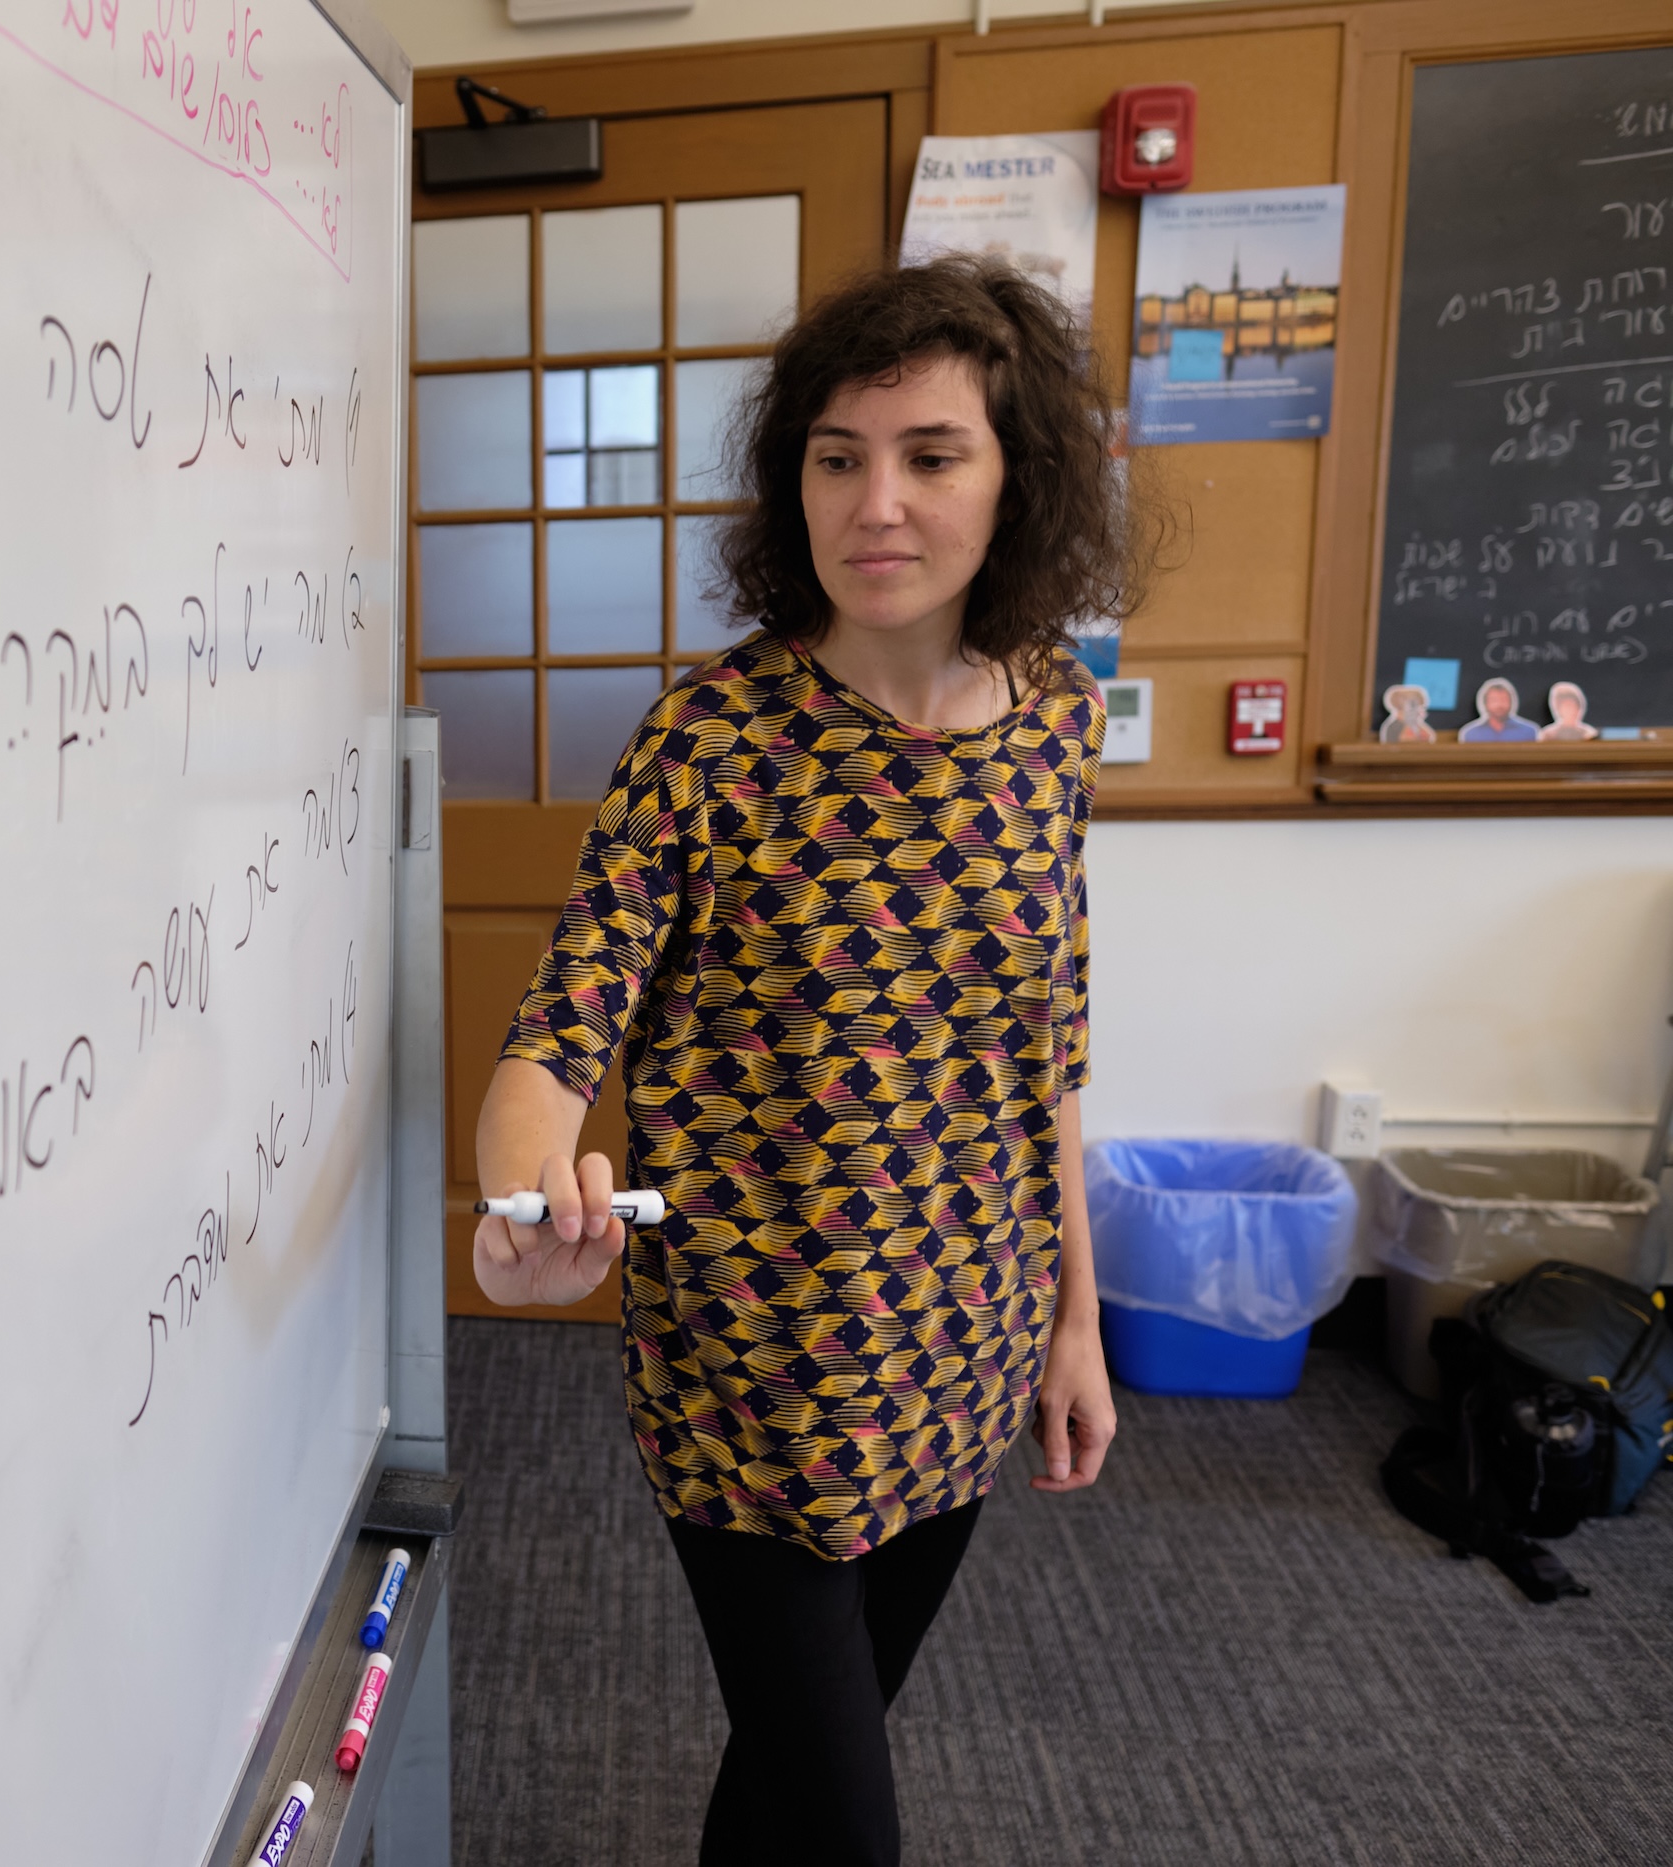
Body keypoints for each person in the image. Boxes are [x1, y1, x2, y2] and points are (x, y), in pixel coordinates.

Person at [471, 256, 1145, 1867]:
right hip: (755, 1374)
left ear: (1017, 476)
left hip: (963, 1340)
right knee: (848, 1826)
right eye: (837, 456)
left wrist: (1075, 1321)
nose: (877, 503)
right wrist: (524, 1204)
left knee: (790, 1785)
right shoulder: (713, 738)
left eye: (931, 454)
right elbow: (561, 1031)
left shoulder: (1055, 719)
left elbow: (1043, 1054)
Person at [1458, 676, 1538, 742]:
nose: (1499, 705)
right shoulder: (1471, 734)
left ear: (1511, 702)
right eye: (1494, 700)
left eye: (1504, 700)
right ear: (1485, 703)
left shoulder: (1529, 732)